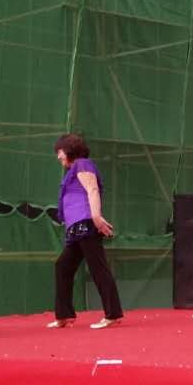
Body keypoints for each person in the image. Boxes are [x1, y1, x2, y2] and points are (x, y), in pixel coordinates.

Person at [48, 134, 124, 330]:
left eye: (60, 152)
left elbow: (92, 189)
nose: (58, 156)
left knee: (98, 268)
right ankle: (64, 316)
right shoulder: (73, 169)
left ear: (69, 150)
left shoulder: (82, 164)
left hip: (86, 223)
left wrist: (96, 217)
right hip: (76, 227)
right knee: (63, 266)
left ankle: (113, 314)